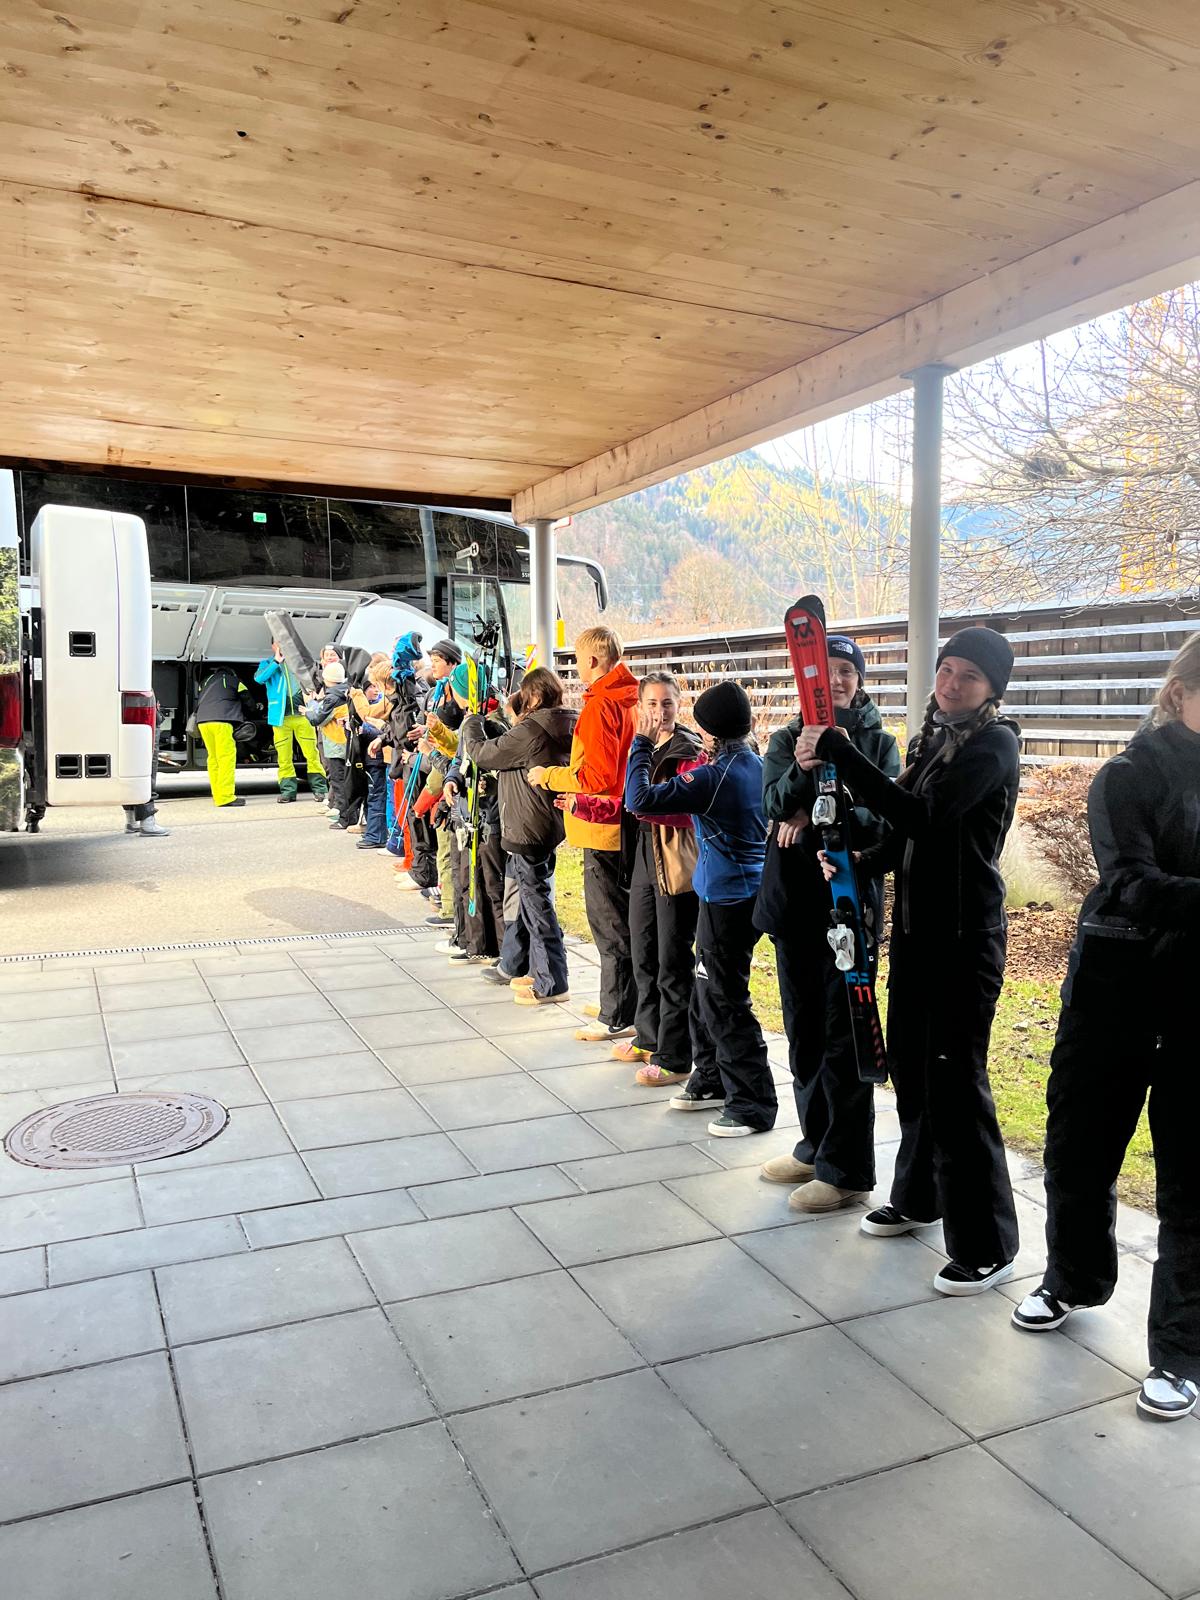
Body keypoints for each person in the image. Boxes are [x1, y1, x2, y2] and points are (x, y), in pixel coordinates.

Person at [797, 626, 1021, 1294]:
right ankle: (921, 1197)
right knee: (916, 1075)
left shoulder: (993, 745)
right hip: (919, 938)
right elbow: (904, 836)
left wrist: (841, 750)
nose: (951, 684)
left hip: (965, 944)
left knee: (957, 1084)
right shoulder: (934, 740)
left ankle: (987, 1244)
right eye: (946, 669)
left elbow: (926, 815)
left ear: (992, 689)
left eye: (969, 676)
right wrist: (861, 860)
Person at [1011, 633, 1200, 1421]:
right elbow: (1131, 883)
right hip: (1113, 992)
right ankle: (1073, 1279)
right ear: (1179, 692)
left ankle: (1182, 1352)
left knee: (1192, 1180)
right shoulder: (1127, 775)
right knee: (1079, 1150)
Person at [757, 635, 899, 1212]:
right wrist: (801, 773)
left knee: (847, 1036)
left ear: (859, 681)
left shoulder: (880, 743)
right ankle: (814, 1145)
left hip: (848, 905)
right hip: (794, 905)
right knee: (805, 1032)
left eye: (848, 671)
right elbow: (770, 804)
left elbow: (885, 818)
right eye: (828, 670)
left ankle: (846, 1169)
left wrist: (816, 811)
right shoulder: (786, 738)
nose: (837, 680)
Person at [626, 680, 776, 1138]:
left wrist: (641, 744)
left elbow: (639, 800)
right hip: (739, 893)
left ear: (709, 732)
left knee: (725, 999)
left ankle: (752, 1103)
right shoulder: (756, 764)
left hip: (728, 899)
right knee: (705, 989)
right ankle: (709, 1077)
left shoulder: (716, 776)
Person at [527, 627, 639, 1044]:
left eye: (577, 659)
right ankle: (625, 1002)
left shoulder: (600, 706)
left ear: (593, 660)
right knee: (624, 919)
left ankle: (616, 1013)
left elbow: (597, 776)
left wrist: (548, 775)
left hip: (599, 827)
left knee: (609, 923)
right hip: (625, 822)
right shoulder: (631, 698)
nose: (576, 667)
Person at [460, 667, 577, 1003]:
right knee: (525, 896)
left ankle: (552, 981)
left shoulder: (532, 728)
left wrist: (471, 723)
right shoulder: (566, 721)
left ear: (535, 695)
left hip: (527, 826)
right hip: (546, 822)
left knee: (536, 902)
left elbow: (484, 754)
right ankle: (518, 964)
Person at [621, 673, 703, 1081]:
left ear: (679, 704)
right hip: (643, 854)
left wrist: (646, 807)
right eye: (651, 704)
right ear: (640, 707)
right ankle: (648, 1036)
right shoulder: (641, 746)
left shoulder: (691, 750)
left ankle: (674, 1056)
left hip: (674, 861)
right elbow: (627, 799)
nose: (659, 712)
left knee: (673, 960)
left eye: (667, 703)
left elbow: (689, 810)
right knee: (643, 951)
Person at [437, 658, 507, 962]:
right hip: (467, 815)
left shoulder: (492, 722)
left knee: (492, 883)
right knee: (469, 880)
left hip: (488, 817)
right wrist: (452, 780)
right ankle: (475, 943)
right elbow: (460, 760)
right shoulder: (470, 722)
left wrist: (485, 783)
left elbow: (496, 763)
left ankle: (503, 950)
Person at [255, 639, 329, 806]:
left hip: (303, 716)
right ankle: (287, 791)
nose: (281, 646)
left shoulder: (300, 663)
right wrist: (276, 661)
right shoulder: (267, 663)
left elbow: (317, 680)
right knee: (284, 757)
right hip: (280, 719)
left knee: (312, 754)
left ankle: (319, 789)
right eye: (278, 643)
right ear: (273, 646)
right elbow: (259, 678)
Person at [349, 656, 393, 850]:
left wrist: (356, 694)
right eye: (372, 686)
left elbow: (368, 716)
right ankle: (377, 834)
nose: (376, 689)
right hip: (379, 756)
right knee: (375, 796)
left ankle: (379, 836)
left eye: (377, 684)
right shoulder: (389, 699)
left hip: (381, 757)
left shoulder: (389, 700)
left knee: (378, 796)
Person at [194, 665, 254, 809]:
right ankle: (226, 797)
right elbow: (248, 700)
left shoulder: (206, 681)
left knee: (213, 759)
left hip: (203, 722)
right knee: (226, 758)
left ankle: (217, 795)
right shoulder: (234, 681)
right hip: (222, 721)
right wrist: (253, 712)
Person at [306, 661, 352, 827]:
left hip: (335, 745)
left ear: (327, 679)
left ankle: (344, 819)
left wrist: (309, 708)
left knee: (338, 783)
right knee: (347, 782)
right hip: (347, 744)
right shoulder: (346, 692)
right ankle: (350, 816)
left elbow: (317, 719)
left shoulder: (332, 697)